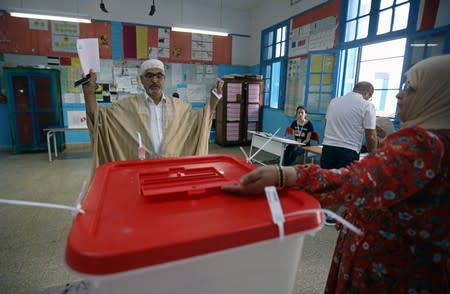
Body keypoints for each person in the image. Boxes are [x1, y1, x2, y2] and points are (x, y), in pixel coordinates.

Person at [222, 55, 450, 293]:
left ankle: (328, 216)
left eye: (410, 88)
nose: (399, 94)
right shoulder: (440, 140)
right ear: (367, 93)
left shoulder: (423, 143)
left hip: (390, 263)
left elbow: (359, 183)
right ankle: (330, 217)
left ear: (438, 95)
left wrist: (285, 175)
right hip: (422, 263)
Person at [82, 59, 222, 169]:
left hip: (171, 169)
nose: (155, 80)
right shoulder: (126, 106)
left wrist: (213, 101)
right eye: (149, 76)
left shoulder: (180, 107)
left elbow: (201, 121)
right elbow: (99, 119)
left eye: (159, 76)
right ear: (141, 80)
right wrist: (89, 92)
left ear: (164, 80)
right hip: (140, 168)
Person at [320, 81, 377, 225]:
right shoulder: (367, 105)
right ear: (367, 93)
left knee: (326, 180)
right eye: (370, 97)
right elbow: (370, 134)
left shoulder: (334, 101)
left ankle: (321, 210)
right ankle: (331, 216)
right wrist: (374, 154)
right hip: (348, 150)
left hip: (328, 146)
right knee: (343, 183)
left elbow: (327, 124)